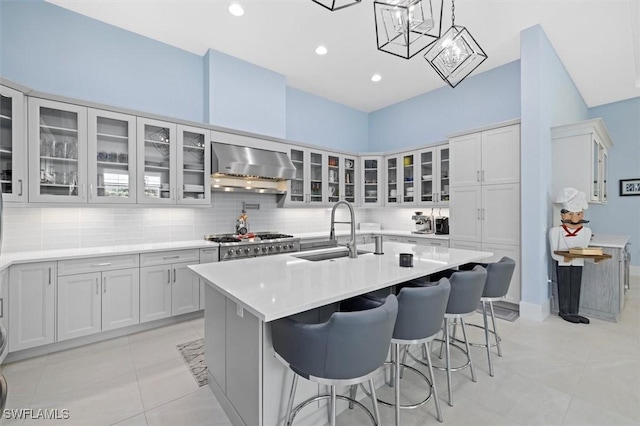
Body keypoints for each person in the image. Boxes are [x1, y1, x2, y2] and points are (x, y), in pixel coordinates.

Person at [549, 187, 592, 324]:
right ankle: (564, 311)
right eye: (571, 214)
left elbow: (583, 249)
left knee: (576, 287)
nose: (575, 218)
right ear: (563, 215)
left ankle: (575, 312)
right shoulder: (555, 232)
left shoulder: (586, 232)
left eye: (579, 214)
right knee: (564, 286)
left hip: (578, 262)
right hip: (563, 263)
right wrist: (564, 257)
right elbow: (553, 253)